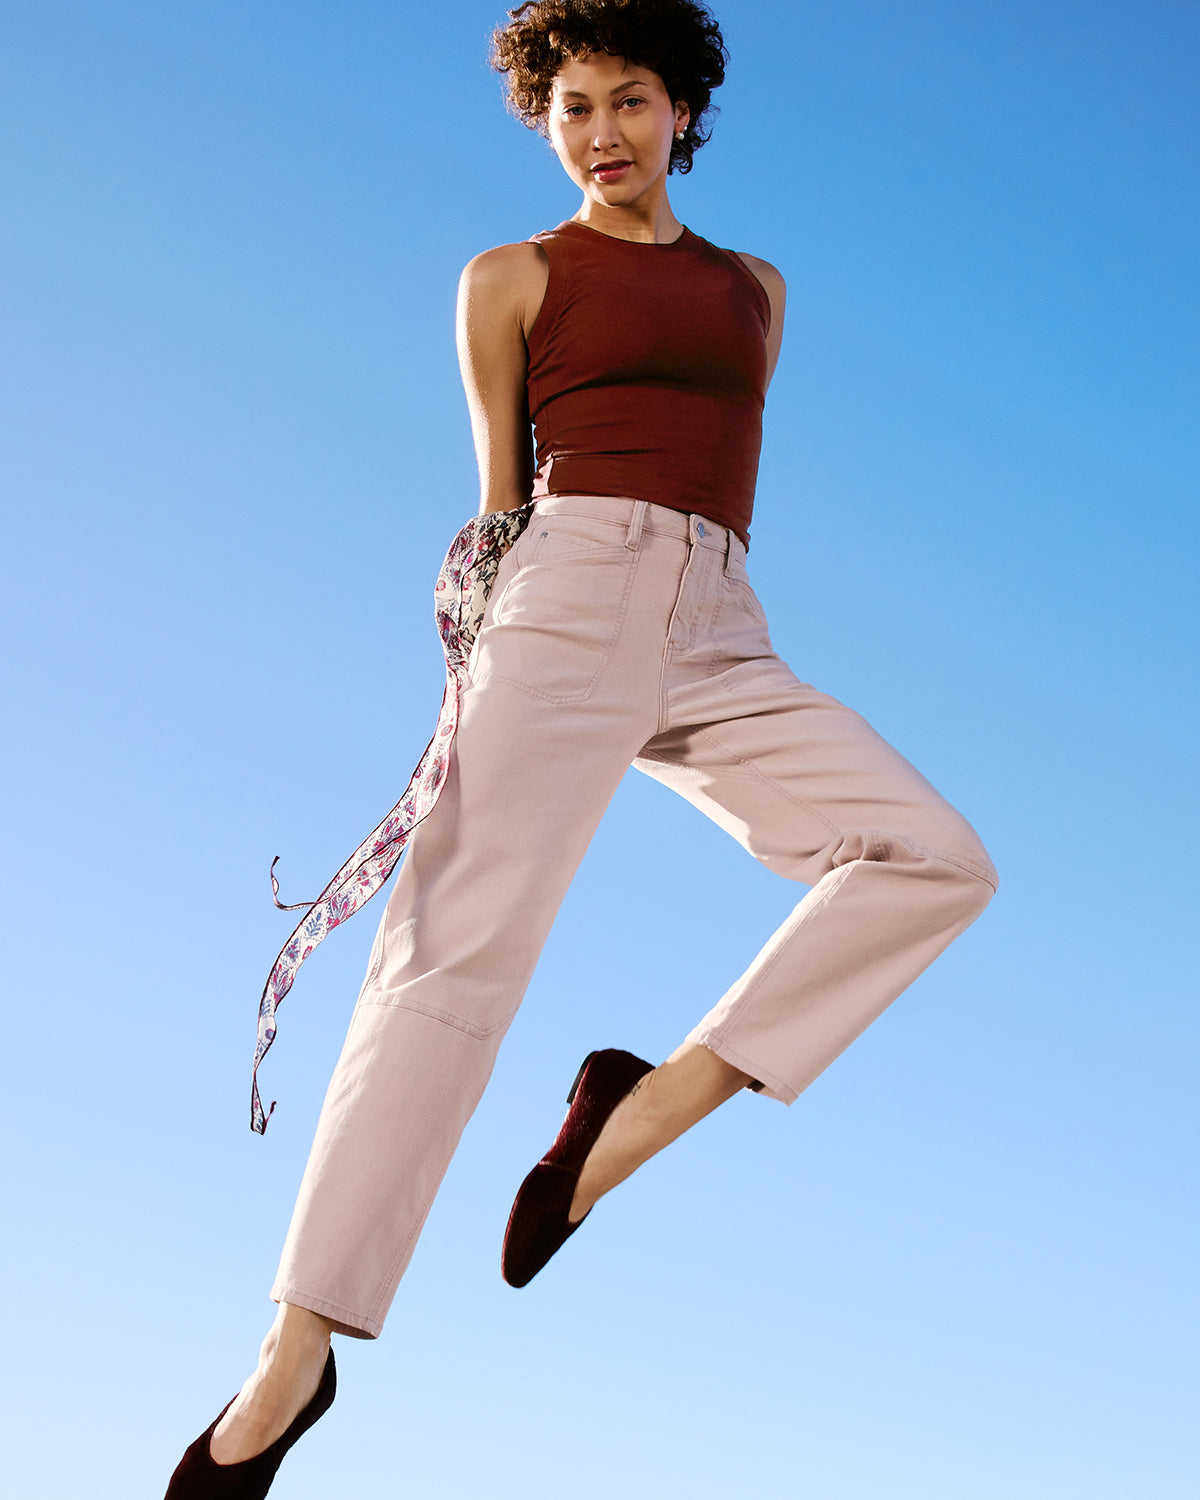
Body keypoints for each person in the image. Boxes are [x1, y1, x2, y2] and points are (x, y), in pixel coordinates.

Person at [164, 1, 997, 1494]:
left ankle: (638, 1112)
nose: (601, 133)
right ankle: (297, 1348)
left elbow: (721, 462)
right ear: (543, 122)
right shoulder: (513, 277)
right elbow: (500, 499)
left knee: (936, 857)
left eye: (629, 99)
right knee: (447, 955)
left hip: (723, 618)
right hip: (565, 592)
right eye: (572, 107)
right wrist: (492, 640)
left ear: (683, 110)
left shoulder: (756, 290)